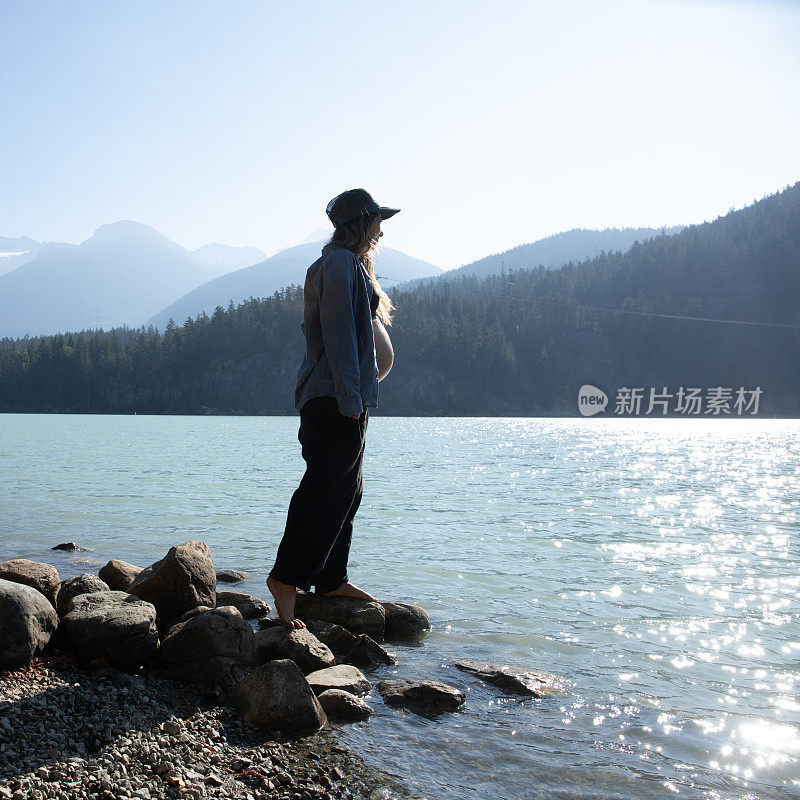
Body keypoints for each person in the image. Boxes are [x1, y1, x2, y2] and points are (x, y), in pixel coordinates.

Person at [267, 188, 399, 628]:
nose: (382, 229)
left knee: (347, 489)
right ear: (362, 223)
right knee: (324, 489)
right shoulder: (340, 264)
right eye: (377, 220)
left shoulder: (347, 265)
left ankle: (329, 577)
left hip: (344, 398)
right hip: (334, 400)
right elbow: (340, 333)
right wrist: (348, 397)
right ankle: (286, 579)